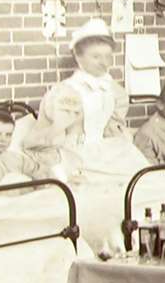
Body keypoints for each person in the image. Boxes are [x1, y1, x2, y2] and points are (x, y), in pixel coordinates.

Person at [24, 18, 130, 179]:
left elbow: (112, 128)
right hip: (74, 153)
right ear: (79, 58)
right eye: (96, 56)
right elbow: (56, 135)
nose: (104, 63)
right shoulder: (66, 92)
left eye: (108, 56)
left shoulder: (112, 89)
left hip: (106, 150)